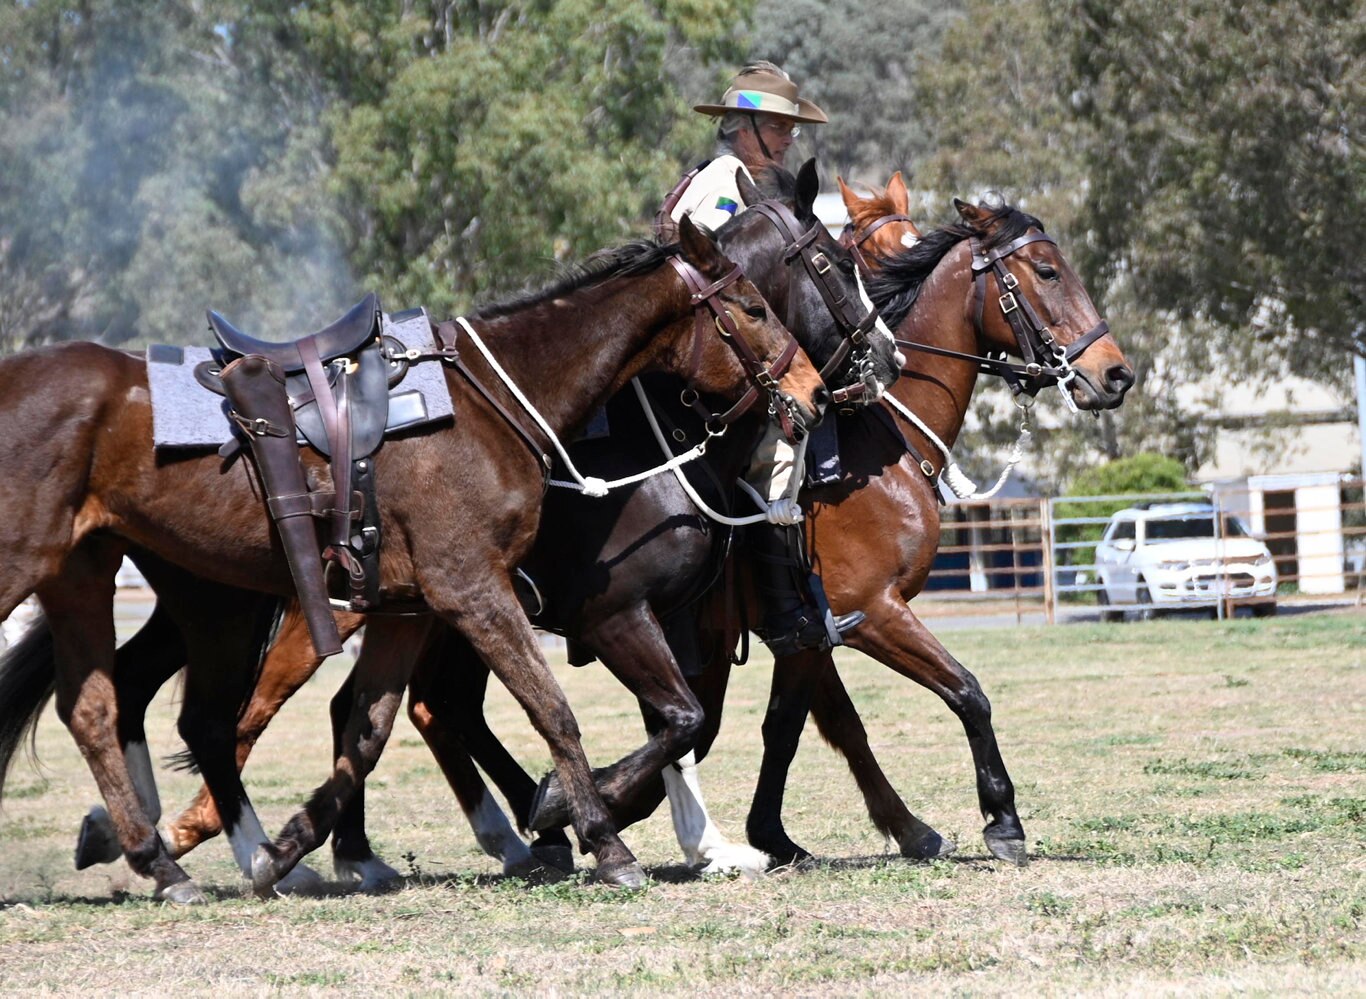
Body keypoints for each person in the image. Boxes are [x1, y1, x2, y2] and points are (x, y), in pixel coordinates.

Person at [660, 62, 864, 657]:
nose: (791, 137)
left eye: (792, 127)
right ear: (743, 126)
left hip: (724, 359)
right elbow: (723, 281)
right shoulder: (723, 182)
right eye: (780, 125)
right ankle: (780, 611)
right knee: (779, 453)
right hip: (703, 371)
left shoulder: (742, 182)